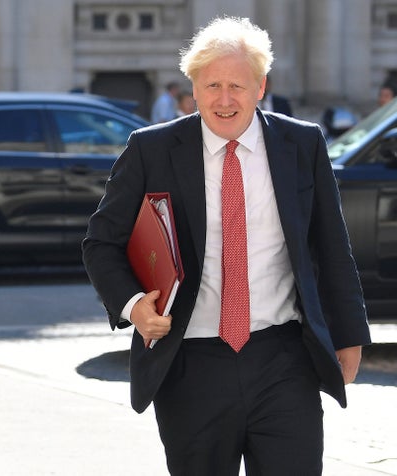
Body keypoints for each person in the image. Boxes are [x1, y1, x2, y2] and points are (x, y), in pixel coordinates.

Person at [82, 16, 370, 475]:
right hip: (191, 363)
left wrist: (351, 334)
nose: (224, 99)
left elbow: (332, 246)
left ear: (261, 87)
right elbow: (101, 244)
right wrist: (134, 306)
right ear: (192, 89)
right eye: (211, 84)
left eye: (237, 85)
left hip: (283, 360)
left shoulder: (302, 144)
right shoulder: (151, 150)